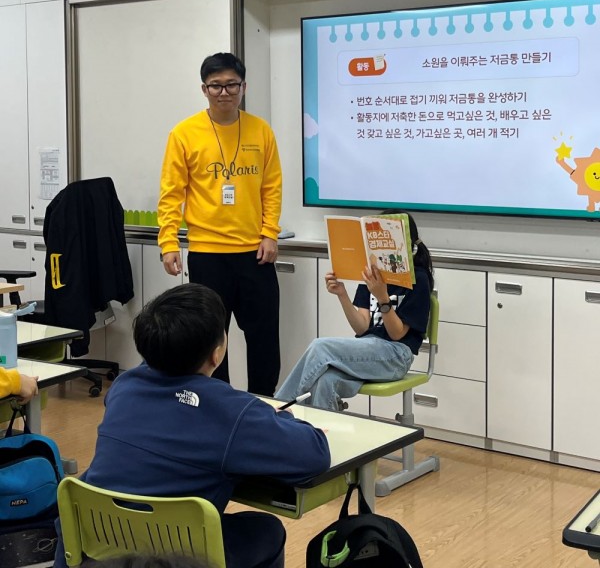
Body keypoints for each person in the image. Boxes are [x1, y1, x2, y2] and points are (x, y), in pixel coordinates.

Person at [53, 283, 330, 568]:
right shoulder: (231, 412)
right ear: (216, 354)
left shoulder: (123, 386)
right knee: (266, 530)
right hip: (178, 557)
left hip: (103, 544)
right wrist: (275, 417)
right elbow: (315, 454)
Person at [157, 52, 282, 396]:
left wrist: (270, 233)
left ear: (243, 87)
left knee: (264, 337)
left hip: (255, 254)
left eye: (231, 85)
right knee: (210, 339)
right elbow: (171, 193)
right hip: (207, 254)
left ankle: (263, 403)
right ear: (204, 89)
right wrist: (168, 242)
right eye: (216, 86)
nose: (224, 92)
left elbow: (271, 188)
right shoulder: (184, 134)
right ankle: (219, 402)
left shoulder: (260, 130)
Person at [275, 213, 433, 412]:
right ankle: (317, 431)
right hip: (369, 348)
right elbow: (362, 327)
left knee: (320, 347)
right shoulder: (371, 274)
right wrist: (342, 295)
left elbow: (397, 334)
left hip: (396, 355)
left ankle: (278, 407)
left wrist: (383, 298)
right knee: (325, 381)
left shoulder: (418, 279)